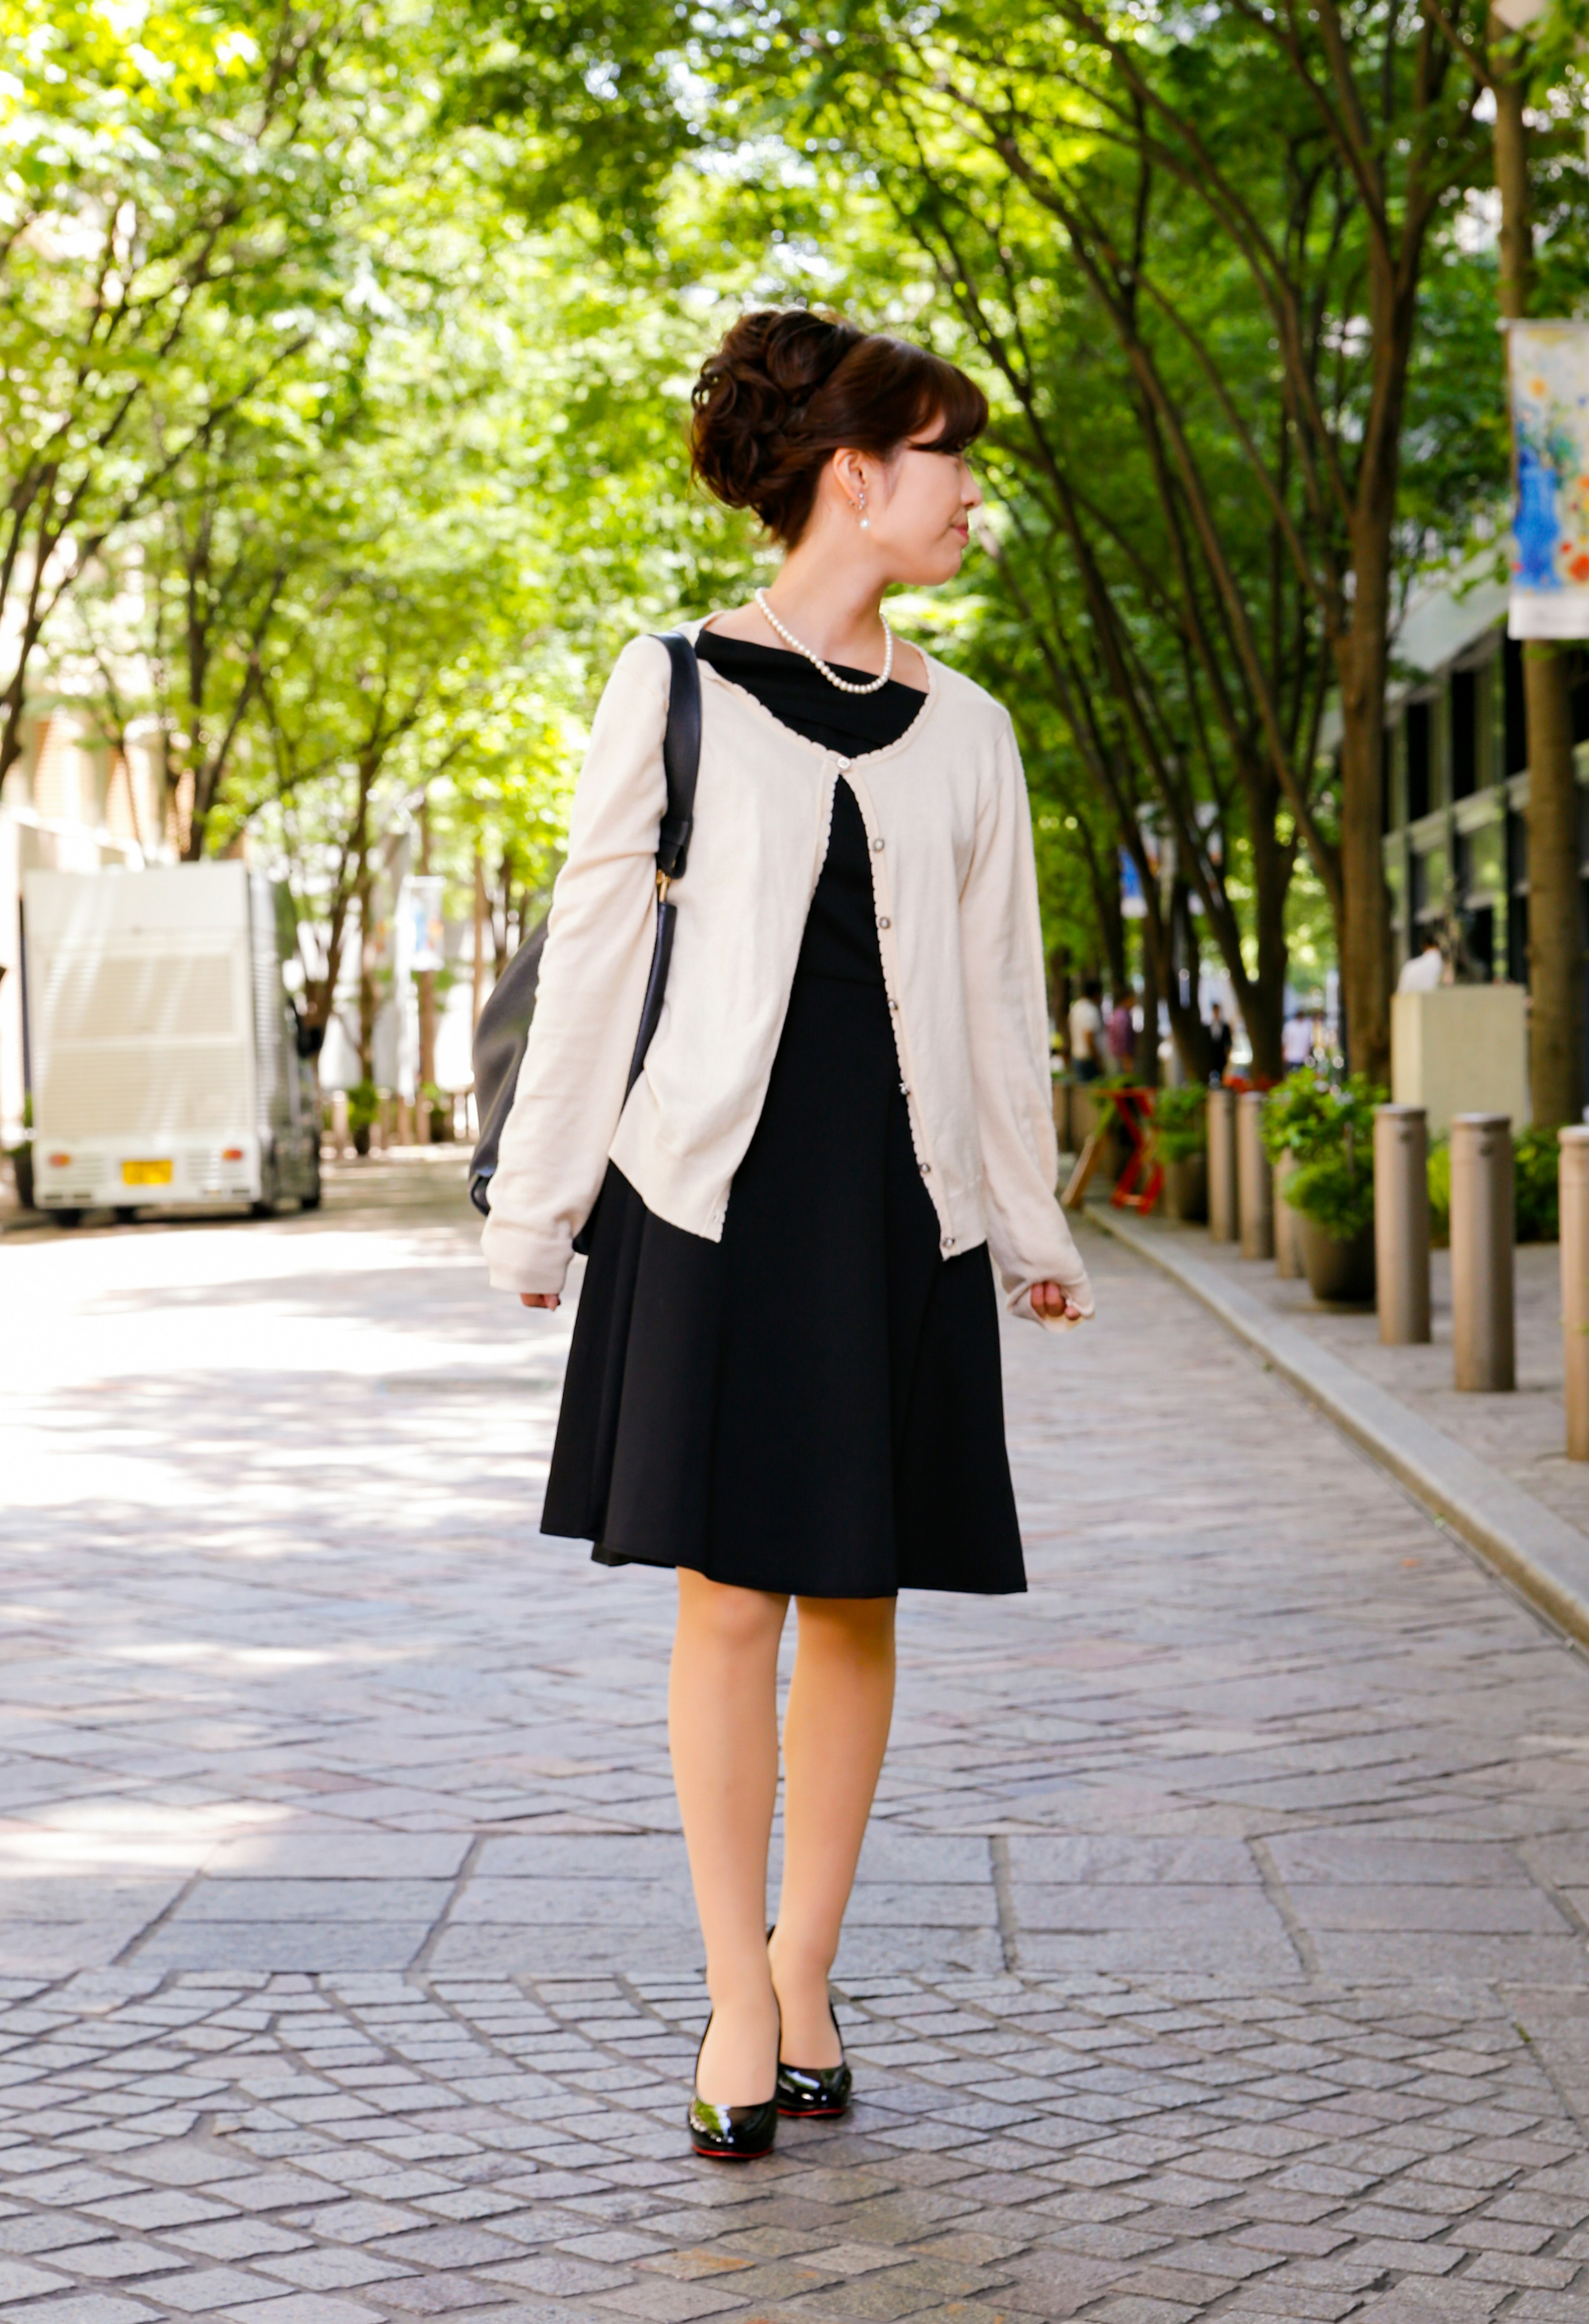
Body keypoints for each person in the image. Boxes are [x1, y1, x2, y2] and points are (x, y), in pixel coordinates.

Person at [482, 308, 1092, 2162]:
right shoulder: (667, 684)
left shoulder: (968, 732)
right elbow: (595, 944)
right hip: (708, 1188)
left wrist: (1028, 1216)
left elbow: (1000, 996)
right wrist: (541, 1197)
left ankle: (807, 1967)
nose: (975, 492)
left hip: (894, 1202)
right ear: (855, 474)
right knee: (727, 1595)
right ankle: (734, 1995)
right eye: (949, 457)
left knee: (856, 1589)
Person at [1068, 973, 1105, 1082]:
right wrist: (1098, 1060)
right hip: (1089, 1060)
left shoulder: (1076, 1007)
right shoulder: (1090, 1010)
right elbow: (1089, 1037)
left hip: (1077, 1056)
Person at [1105, 985, 1136, 1070]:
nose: (1134, 1001)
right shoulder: (1122, 1017)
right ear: (1127, 999)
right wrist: (1127, 1062)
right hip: (1122, 1060)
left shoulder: (1118, 1014)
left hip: (1118, 1059)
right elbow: (1122, 1040)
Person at [1205, 1002, 1233, 1082]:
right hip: (1212, 1053)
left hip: (1222, 1053)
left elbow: (1228, 1042)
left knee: (1222, 1072)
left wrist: (1228, 1053)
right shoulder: (1209, 1026)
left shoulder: (1225, 1026)